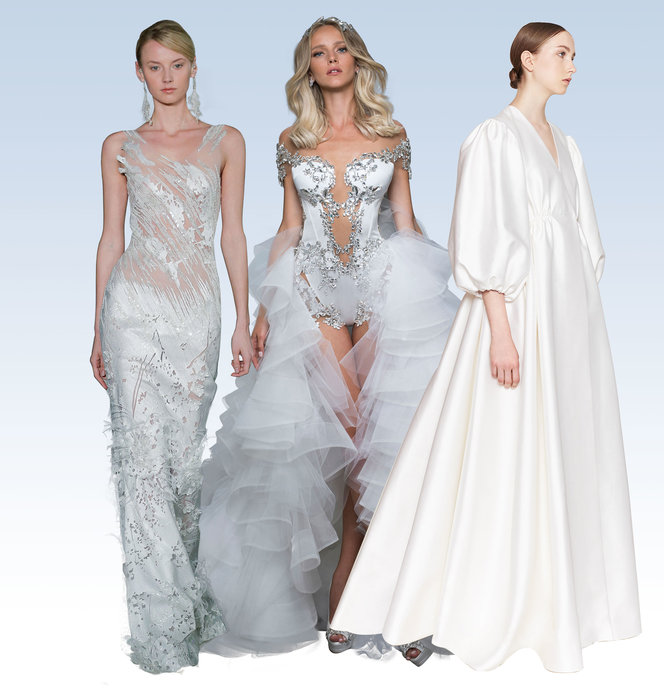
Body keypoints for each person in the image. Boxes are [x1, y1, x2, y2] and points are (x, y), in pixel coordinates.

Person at [330, 22, 641, 671]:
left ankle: (547, 602)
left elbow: (584, 241)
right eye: (562, 54)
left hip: (566, 322)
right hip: (515, 318)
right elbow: (480, 232)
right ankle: (431, 604)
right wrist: (501, 329)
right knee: (488, 453)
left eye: (574, 56)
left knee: (554, 452)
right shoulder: (493, 138)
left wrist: (578, 325)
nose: (572, 66)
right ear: (527, 60)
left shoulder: (567, 145)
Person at [198, 16, 456, 656]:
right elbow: (289, 227)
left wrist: (444, 296)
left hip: (381, 283)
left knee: (377, 443)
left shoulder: (391, 134)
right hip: (313, 289)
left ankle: (373, 593)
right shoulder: (292, 141)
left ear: (356, 61)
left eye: (341, 49)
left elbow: (405, 221)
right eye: (319, 52)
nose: (333, 59)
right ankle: (343, 594)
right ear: (307, 68)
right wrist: (265, 309)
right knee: (343, 433)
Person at [90, 19, 253, 673]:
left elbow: (232, 235)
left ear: (193, 68)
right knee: (141, 467)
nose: (166, 77)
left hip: (196, 318)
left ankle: (187, 611)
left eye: (176, 65)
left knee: (181, 470)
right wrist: (96, 326)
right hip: (132, 313)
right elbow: (111, 237)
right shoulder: (119, 146)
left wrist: (242, 320)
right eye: (154, 66)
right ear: (139, 72)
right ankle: (161, 632)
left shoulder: (225, 142)